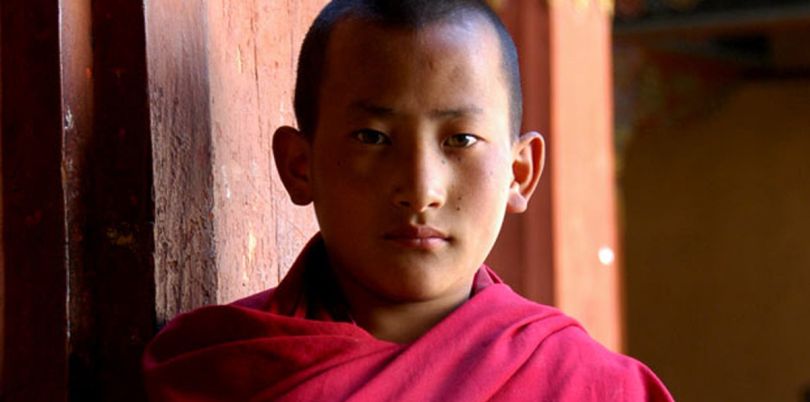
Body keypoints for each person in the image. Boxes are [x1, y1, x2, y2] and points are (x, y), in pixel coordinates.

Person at [143, 0, 674, 400]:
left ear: (520, 172)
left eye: (460, 140)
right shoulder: (212, 369)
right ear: (299, 166)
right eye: (372, 137)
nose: (420, 190)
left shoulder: (592, 388)